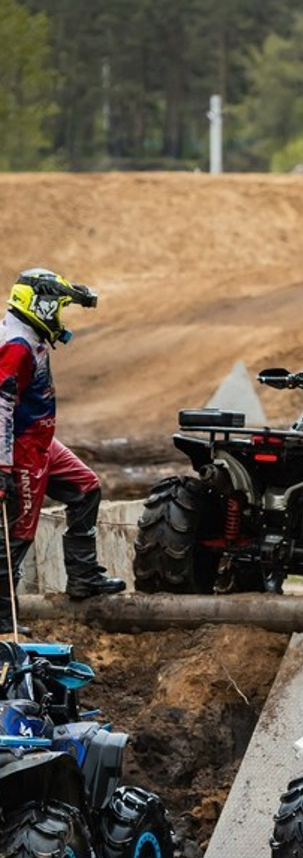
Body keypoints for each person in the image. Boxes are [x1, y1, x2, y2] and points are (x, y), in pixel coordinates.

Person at [0, 269, 124, 631]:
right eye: (56, 308)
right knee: (18, 531)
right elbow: (2, 407)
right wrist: (3, 467)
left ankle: (84, 577)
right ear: (39, 305)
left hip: (40, 440)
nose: (58, 317)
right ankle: (4, 618)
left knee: (86, 487)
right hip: (21, 446)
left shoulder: (27, 334)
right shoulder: (17, 346)